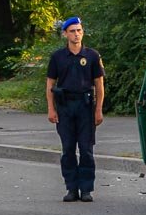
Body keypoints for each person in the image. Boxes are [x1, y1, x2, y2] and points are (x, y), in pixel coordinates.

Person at [45, 17, 105, 203]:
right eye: (72, 31)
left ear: (83, 32)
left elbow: (99, 85)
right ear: (65, 34)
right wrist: (51, 109)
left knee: (86, 149)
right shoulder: (57, 57)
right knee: (68, 149)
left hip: (85, 107)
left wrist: (98, 109)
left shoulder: (92, 56)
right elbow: (50, 84)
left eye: (79, 30)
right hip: (65, 107)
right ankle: (71, 188)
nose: (76, 34)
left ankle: (86, 189)